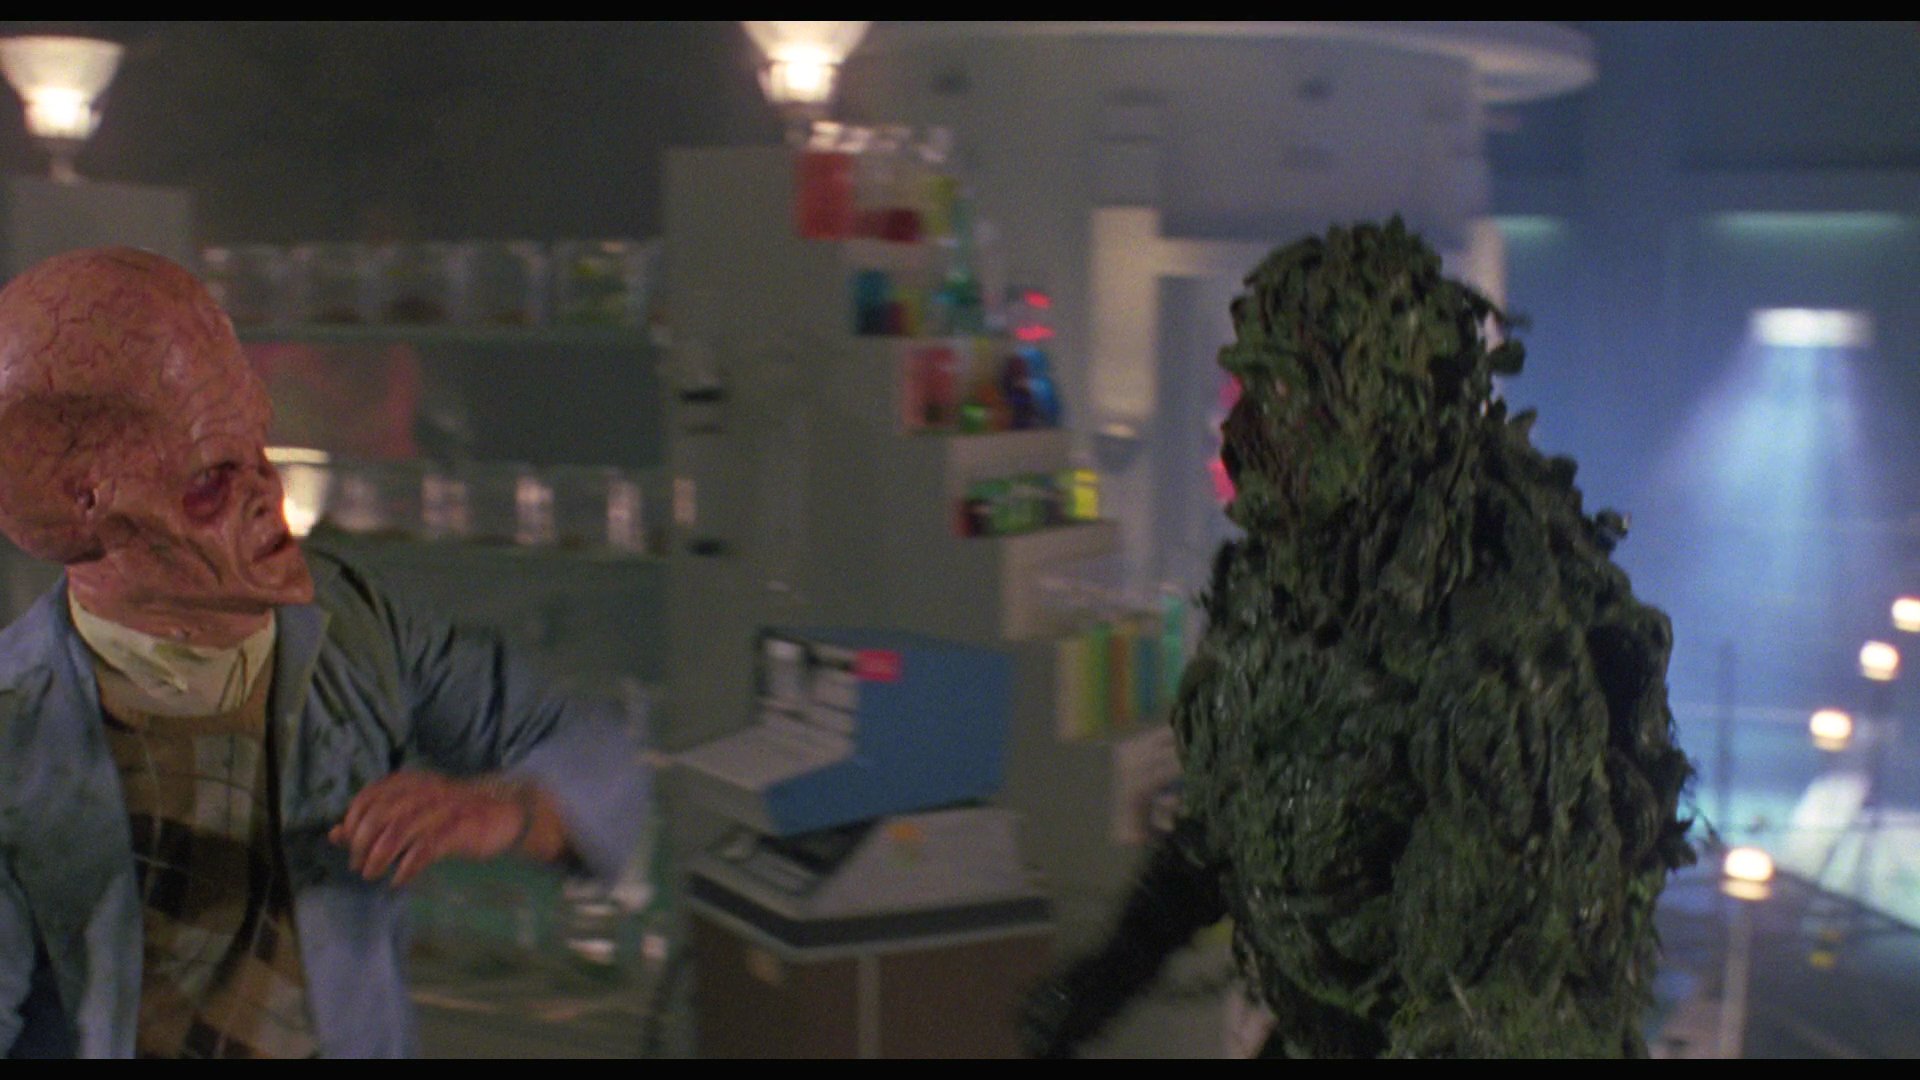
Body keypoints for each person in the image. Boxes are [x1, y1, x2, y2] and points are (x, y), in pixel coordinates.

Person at [0, 247, 650, 1058]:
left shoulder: (353, 625)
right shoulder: (19, 728)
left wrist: (510, 812)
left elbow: (594, 752)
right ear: (87, 505)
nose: (268, 497)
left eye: (262, 451)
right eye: (210, 480)